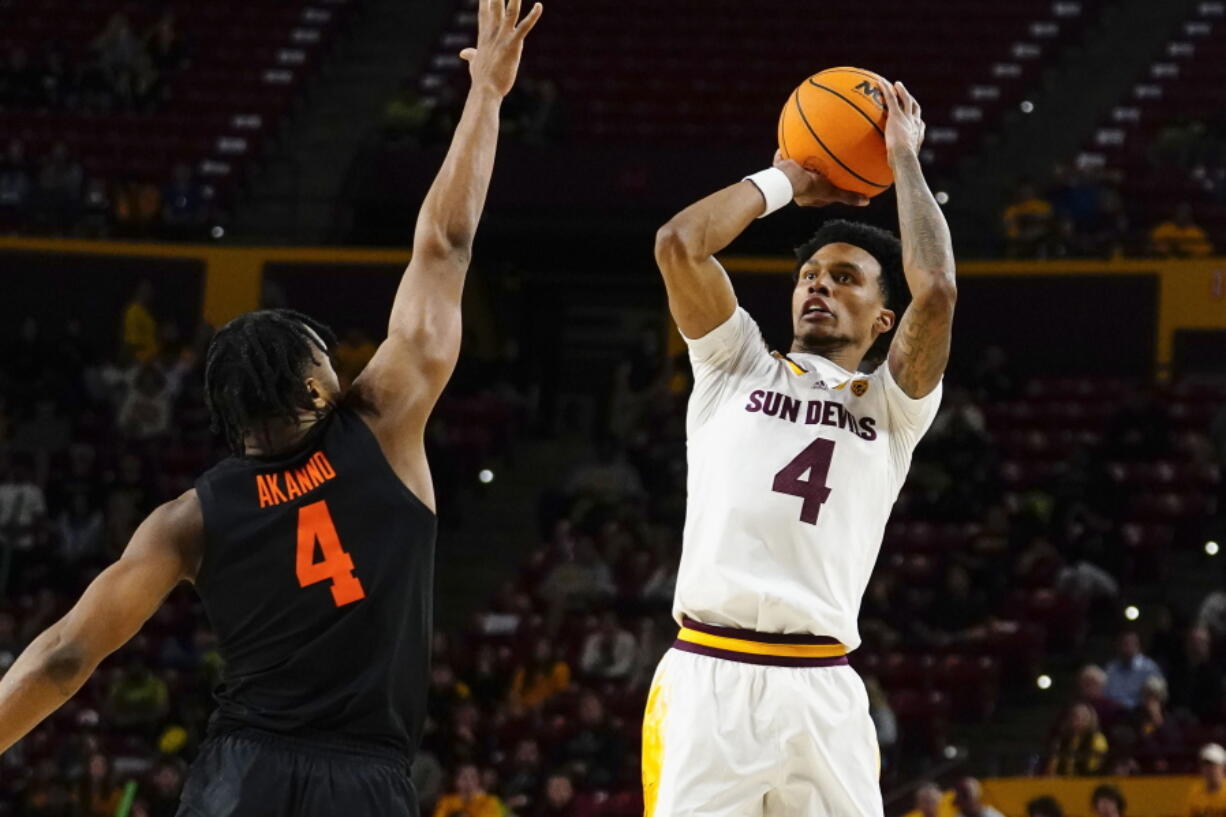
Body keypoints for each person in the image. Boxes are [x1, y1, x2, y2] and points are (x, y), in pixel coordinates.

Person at [0, 3, 544, 816]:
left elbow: (66, 656)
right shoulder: (384, 423)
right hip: (363, 778)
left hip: (237, 776)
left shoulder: (188, 519)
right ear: (315, 388)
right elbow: (443, 246)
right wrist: (486, 96)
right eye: (328, 355)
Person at [645, 76, 954, 817]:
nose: (818, 287)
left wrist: (903, 158)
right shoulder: (734, 362)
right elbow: (678, 245)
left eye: (844, 279)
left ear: (883, 319)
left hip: (822, 685)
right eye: (810, 275)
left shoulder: (892, 404)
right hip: (708, 676)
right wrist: (787, 177)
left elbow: (936, 287)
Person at [1104, 630, 1165, 709]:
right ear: (1118, 646)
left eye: (1132, 644)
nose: (1128, 648)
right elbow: (1105, 694)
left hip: (1140, 712)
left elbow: (1158, 694)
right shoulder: (1111, 669)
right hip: (1115, 713)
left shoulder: (1149, 668)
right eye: (1125, 644)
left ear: (1138, 646)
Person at [1045, 703, 1109, 776]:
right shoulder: (1063, 739)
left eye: (1083, 717)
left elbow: (1097, 764)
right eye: (1075, 716)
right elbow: (1053, 764)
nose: (1079, 720)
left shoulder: (1097, 739)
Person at [432, 764, 504, 817]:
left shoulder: (490, 801)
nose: (468, 781)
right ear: (455, 781)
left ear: (478, 781)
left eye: (472, 778)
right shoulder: (446, 800)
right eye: (463, 777)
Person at [1149, 203, 1213, 258]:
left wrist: (1187, 251)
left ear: (1190, 215)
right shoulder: (1164, 229)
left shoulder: (1197, 232)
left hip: (1190, 266)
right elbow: (1153, 247)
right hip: (1165, 264)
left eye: (1186, 212)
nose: (1183, 215)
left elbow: (1206, 251)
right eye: (1180, 212)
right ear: (1175, 213)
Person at [1187, 743, 1226, 817]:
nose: (1209, 770)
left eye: (1214, 765)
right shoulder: (1195, 793)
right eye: (1206, 765)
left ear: (1223, 767)